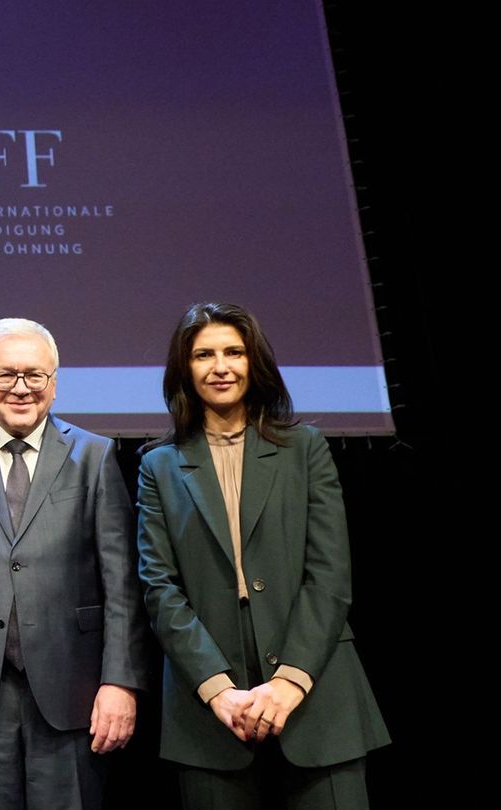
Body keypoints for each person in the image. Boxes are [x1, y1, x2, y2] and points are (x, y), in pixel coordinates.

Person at [136, 302, 389, 809]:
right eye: (203, 355)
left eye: (234, 352)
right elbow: (159, 587)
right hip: (209, 707)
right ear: (185, 368)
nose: (221, 367)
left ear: (255, 361)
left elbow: (329, 575)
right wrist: (217, 689)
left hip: (318, 689)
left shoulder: (305, 448)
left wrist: (291, 679)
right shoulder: (158, 465)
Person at [0, 318, 149, 809]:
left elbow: (121, 584)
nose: (20, 388)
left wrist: (120, 681)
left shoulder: (95, 455)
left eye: (34, 375)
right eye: (6, 375)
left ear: (54, 382)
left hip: (75, 691)